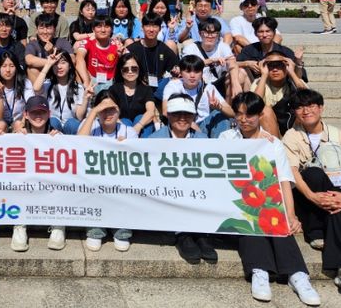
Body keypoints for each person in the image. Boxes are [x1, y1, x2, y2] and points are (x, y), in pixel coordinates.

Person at [221, 92, 321, 306]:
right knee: (250, 214)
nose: (243, 119)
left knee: (275, 215)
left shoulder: (273, 143)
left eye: (249, 115)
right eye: (239, 114)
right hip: (237, 200)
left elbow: (284, 181)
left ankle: (298, 275)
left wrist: (291, 216)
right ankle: (260, 271)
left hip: (267, 198)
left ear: (260, 115)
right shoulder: (226, 138)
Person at [283, 89, 341, 291]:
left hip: (336, 195)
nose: (306, 111)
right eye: (300, 107)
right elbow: (291, 171)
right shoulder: (292, 136)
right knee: (313, 174)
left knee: (339, 199)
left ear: (321, 108)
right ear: (295, 112)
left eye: (311, 105)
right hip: (306, 200)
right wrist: (311, 195)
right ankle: (316, 231)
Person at [150, 94, 214, 264]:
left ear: (194, 116)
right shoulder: (154, 139)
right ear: (168, 115)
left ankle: (201, 234)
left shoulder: (202, 139)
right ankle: (182, 235)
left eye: (187, 114)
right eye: (177, 114)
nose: (183, 118)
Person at [78, 90, 137, 252]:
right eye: (103, 109)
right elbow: (77, 144)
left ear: (119, 109)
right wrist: (94, 112)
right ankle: (95, 228)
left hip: (120, 184)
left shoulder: (128, 131)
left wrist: (127, 148)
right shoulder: (91, 126)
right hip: (93, 183)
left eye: (112, 109)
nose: (108, 113)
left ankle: (121, 228)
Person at [11, 95, 64, 252]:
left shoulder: (58, 137)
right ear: (26, 115)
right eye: (34, 112)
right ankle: (19, 224)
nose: (38, 116)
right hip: (26, 186)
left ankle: (59, 224)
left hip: (50, 186)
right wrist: (11, 137)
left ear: (49, 114)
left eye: (42, 112)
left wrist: (60, 142)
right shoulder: (17, 136)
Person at [162, 55, 234, 137]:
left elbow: (232, 113)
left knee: (220, 114)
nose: (192, 75)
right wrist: (192, 125)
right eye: (188, 71)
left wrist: (219, 107)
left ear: (202, 73)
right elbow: (165, 111)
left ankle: (221, 144)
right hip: (182, 124)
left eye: (196, 72)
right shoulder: (173, 86)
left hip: (204, 125)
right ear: (181, 73)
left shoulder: (208, 88)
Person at [30, 51, 90, 135]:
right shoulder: (48, 85)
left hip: (70, 128)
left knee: (73, 123)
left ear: (70, 66)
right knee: (52, 121)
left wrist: (85, 99)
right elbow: (36, 88)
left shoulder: (78, 88)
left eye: (63, 62)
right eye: (55, 64)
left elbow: (79, 117)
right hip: (53, 129)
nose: (59, 67)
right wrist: (48, 64)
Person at [251, 50, 308, 136]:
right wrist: (264, 75)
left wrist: (292, 72)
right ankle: (276, 144)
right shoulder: (259, 82)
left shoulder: (295, 82)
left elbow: (308, 99)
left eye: (279, 65)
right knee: (265, 110)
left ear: (286, 66)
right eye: (270, 66)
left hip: (293, 128)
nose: (275, 69)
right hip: (269, 130)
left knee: (305, 110)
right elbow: (253, 105)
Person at [182, 18, 240, 99]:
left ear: (218, 35)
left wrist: (236, 84)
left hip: (218, 83)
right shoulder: (190, 48)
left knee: (241, 73)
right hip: (198, 84)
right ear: (200, 33)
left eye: (213, 33)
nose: (210, 36)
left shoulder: (223, 46)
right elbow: (187, 66)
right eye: (206, 33)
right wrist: (211, 60)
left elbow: (232, 62)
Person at [237, 17, 304, 84]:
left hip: (280, 86)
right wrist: (247, 63)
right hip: (255, 85)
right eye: (261, 32)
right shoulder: (249, 49)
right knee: (241, 71)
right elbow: (235, 64)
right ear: (255, 33)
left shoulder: (285, 51)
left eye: (268, 31)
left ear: (274, 33)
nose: (264, 35)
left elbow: (299, 77)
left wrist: (298, 62)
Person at [126, 14, 179, 100]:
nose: (151, 30)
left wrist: (176, 69)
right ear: (142, 28)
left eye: (155, 26)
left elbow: (175, 66)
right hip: (138, 87)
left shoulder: (163, 48)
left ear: (160, 29)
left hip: (159, 88)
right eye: (147, 26)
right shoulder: (132, 49)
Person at [108, 53, 156, 137]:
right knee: (124, 120)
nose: (130, 72)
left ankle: (144, 145)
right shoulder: (114, 89)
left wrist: (137, 127)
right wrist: (127, 130)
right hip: (122, 125)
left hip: (142, 126)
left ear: (139, 69)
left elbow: (150, 112)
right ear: (120, 71)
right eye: (125, 69)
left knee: (140, 117)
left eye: (134, 69)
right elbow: (110, 112)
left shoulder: (146, 89)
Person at [75, 15, 121, 94]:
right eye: (99, 27)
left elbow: (130, 59)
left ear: (112, 29)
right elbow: (79, 58)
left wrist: (121, 55)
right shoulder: (87, 42)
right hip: (91, 79)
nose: (103, 30)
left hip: (110, 81)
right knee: (78, 71)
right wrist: (86, 82)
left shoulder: (117, 44)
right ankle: (82, 96)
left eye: (107, 27)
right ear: (93, 29)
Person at [24, 13, 73, 83]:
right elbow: (29, 60)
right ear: (36, 30)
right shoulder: (33, 44)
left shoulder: (62, 42)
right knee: (31, 69)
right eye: (41, 28)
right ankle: (40, 90)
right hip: (41, 80)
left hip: (60, 77)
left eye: (49, 28)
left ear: (54, 30)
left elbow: (73, 59)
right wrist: (51, 62)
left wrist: (53, 51)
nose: (45, 32)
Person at [0, 51, 28, 131]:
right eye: (4, 66)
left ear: (16, 68)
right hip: (0, 123)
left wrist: (22, 123)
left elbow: (30, 106)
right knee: (1, 125)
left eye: (11, 66)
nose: (8, 70)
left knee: (19, 124)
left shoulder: (25, 84)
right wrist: (0, 95)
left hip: (20, 121)